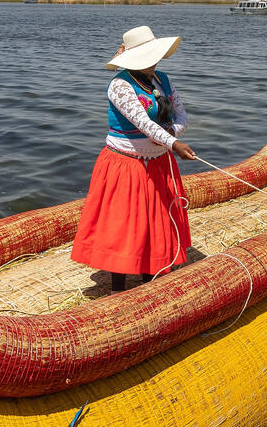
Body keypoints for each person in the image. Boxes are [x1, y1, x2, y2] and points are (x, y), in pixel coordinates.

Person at [70, 26, 197, 292]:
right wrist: (173, 143)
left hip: (159, 161)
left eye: (154, 55)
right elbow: (140, 122)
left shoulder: (163, 80)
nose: (153, 62)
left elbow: (181, 114)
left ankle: (149, 280)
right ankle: (118, 288)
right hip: (127, 164)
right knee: (125, 223)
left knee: (155, 220)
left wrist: (173, 133)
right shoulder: (120, 86)